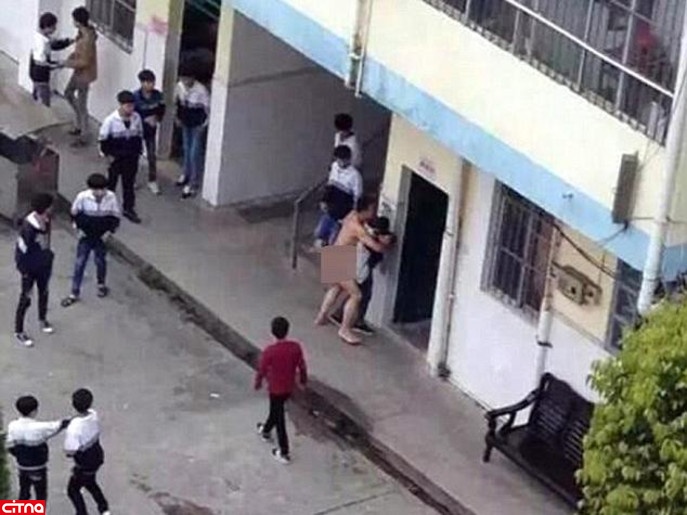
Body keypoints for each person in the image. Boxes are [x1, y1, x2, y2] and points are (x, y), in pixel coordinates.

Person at [315, 196, 392, 345]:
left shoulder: (352, 215)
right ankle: (344, 329)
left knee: (336, 288)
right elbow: (375, 247)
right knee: (356, 295)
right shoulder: (358, 228)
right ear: (366, 209)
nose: (374, 212)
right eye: (372, 209)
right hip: (342, 258)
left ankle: (321, 316)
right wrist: (385, 245)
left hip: (335, 253)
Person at [61, 173, 121, 308]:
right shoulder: (82, 197)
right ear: (91, 189)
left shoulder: (111, 197)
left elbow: (115, 217)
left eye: (103, 189)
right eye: (97, 190)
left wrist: (109, 232)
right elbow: (74, 214)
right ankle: (74, 292)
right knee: (80, 263)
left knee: (100, 261)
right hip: (86, 235)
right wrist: (78, 230)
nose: (100, 193)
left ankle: (101, 285)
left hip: (101, 236)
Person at [255, 317, 308, 465]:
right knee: (276, 411)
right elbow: (302, 366)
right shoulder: (295, 347)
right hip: (288, 387)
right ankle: (265, 430)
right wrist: (303, 381)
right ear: (287, 331)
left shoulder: (270, 351)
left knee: (279, 418)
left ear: (272, 332)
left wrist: (258, 383)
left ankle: (284, 452)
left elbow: (262, 369)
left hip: (275, 388)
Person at [329, 217, 395, 335]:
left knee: (349, 292)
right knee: (359, 295)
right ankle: (351, 322)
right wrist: (383, 243)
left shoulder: (364, 230)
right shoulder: (367, 236)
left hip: (354, 264)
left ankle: (337, 315)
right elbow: (378, 248)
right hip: (360, 268)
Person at [5, 395, 70, 501]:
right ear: (34, 411)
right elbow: (57, 426)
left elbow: (10, 446)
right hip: (38, 467)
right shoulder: (40, 427)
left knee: (24, 493)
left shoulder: (12, 426)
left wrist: (19, 455)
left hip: (22, 467)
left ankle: (21, 509)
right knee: (40, 495)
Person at [14, 193, 55, 347]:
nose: (52, 209)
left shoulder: (47, 219)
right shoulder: (28, 228)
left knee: (44, 292)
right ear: (45, 208)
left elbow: (46, 241)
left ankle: (42, 319)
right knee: (25, 298)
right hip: (30, 268)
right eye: (50, 206)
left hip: (44, 265)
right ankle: (19, 330)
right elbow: (21, 251)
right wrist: (24, 270)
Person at [99, 90, 144, 224]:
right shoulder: (110, 121)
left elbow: (139, 136)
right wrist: (107, 156)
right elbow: (103, 141)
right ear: (121, 105)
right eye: (128, 106)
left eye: (132, 106)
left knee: (129, 184)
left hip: (131, 158)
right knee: (111, 184)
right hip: (116, 158)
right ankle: (106, 209)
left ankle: (128, 208)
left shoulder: (136, 118)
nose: (130, 109)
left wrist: (138, 153)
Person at [64, 388, 110, 515]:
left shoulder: (74, 428)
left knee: (72, 490)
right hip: (97, 455)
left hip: (84, 462)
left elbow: (70, 450)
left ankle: (82, 512)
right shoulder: (93, 414)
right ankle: (104, 508)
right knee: (90, 482)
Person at [313, 145, 363, 248]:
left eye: (343, 160)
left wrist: (352, 215)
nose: (341, 163)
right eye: (339, 160)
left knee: (335, 241)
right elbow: (330, 184)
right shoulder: (334, 167)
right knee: (320, 233)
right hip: (331, 209)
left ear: (348, 159)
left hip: (343, 214)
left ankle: (332, 255)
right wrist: (324, 200)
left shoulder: (355, 176)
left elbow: (357, 197)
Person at [63, 6, 97, 147]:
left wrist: (67, 63)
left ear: (77, 21)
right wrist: (70, 58)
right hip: (78, 72)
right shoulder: (82, 34)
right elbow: (79, 53)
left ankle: (84, 134)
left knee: (82, 105)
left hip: (84, 74)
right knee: (68, 93)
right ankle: (79, 124)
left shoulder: (87, 38)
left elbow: (85, 61)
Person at [174, 65, 210, 199]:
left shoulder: (201, 90)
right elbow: (176, 103)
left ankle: (193, 182)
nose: (184, 81)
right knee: (186, 149)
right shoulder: (180, 86)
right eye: (182, 78)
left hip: (197, 124)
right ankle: (185, 174)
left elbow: (208, 109)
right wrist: (176, 117)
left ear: (192, 78)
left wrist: (204, 125)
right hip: (185, 122)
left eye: (186, 79)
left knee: (194, 153)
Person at [29, 12, 73, 107]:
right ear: (46, 26)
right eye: (53, 27)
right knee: (44, 103)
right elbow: (40, 63)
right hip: (40, 76)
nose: (55, 29)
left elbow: (54, 45)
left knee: (39, 97)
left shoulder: (41, 36)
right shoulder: (42, 43)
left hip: (36, 74)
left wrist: (68, 42)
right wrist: (57, 65)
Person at [134, 69, 166, 195]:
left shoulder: (158, 96)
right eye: (147, 82)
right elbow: (132, 114)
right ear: (142, 83)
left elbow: (162, 109)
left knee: (152, 156)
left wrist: (157, 118)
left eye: (152, 82)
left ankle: (152, 180)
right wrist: (144, 119)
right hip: (137, 131)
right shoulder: (136, 97)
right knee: (135, 155)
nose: (150, 85)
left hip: (151, 131)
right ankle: (132, 179)